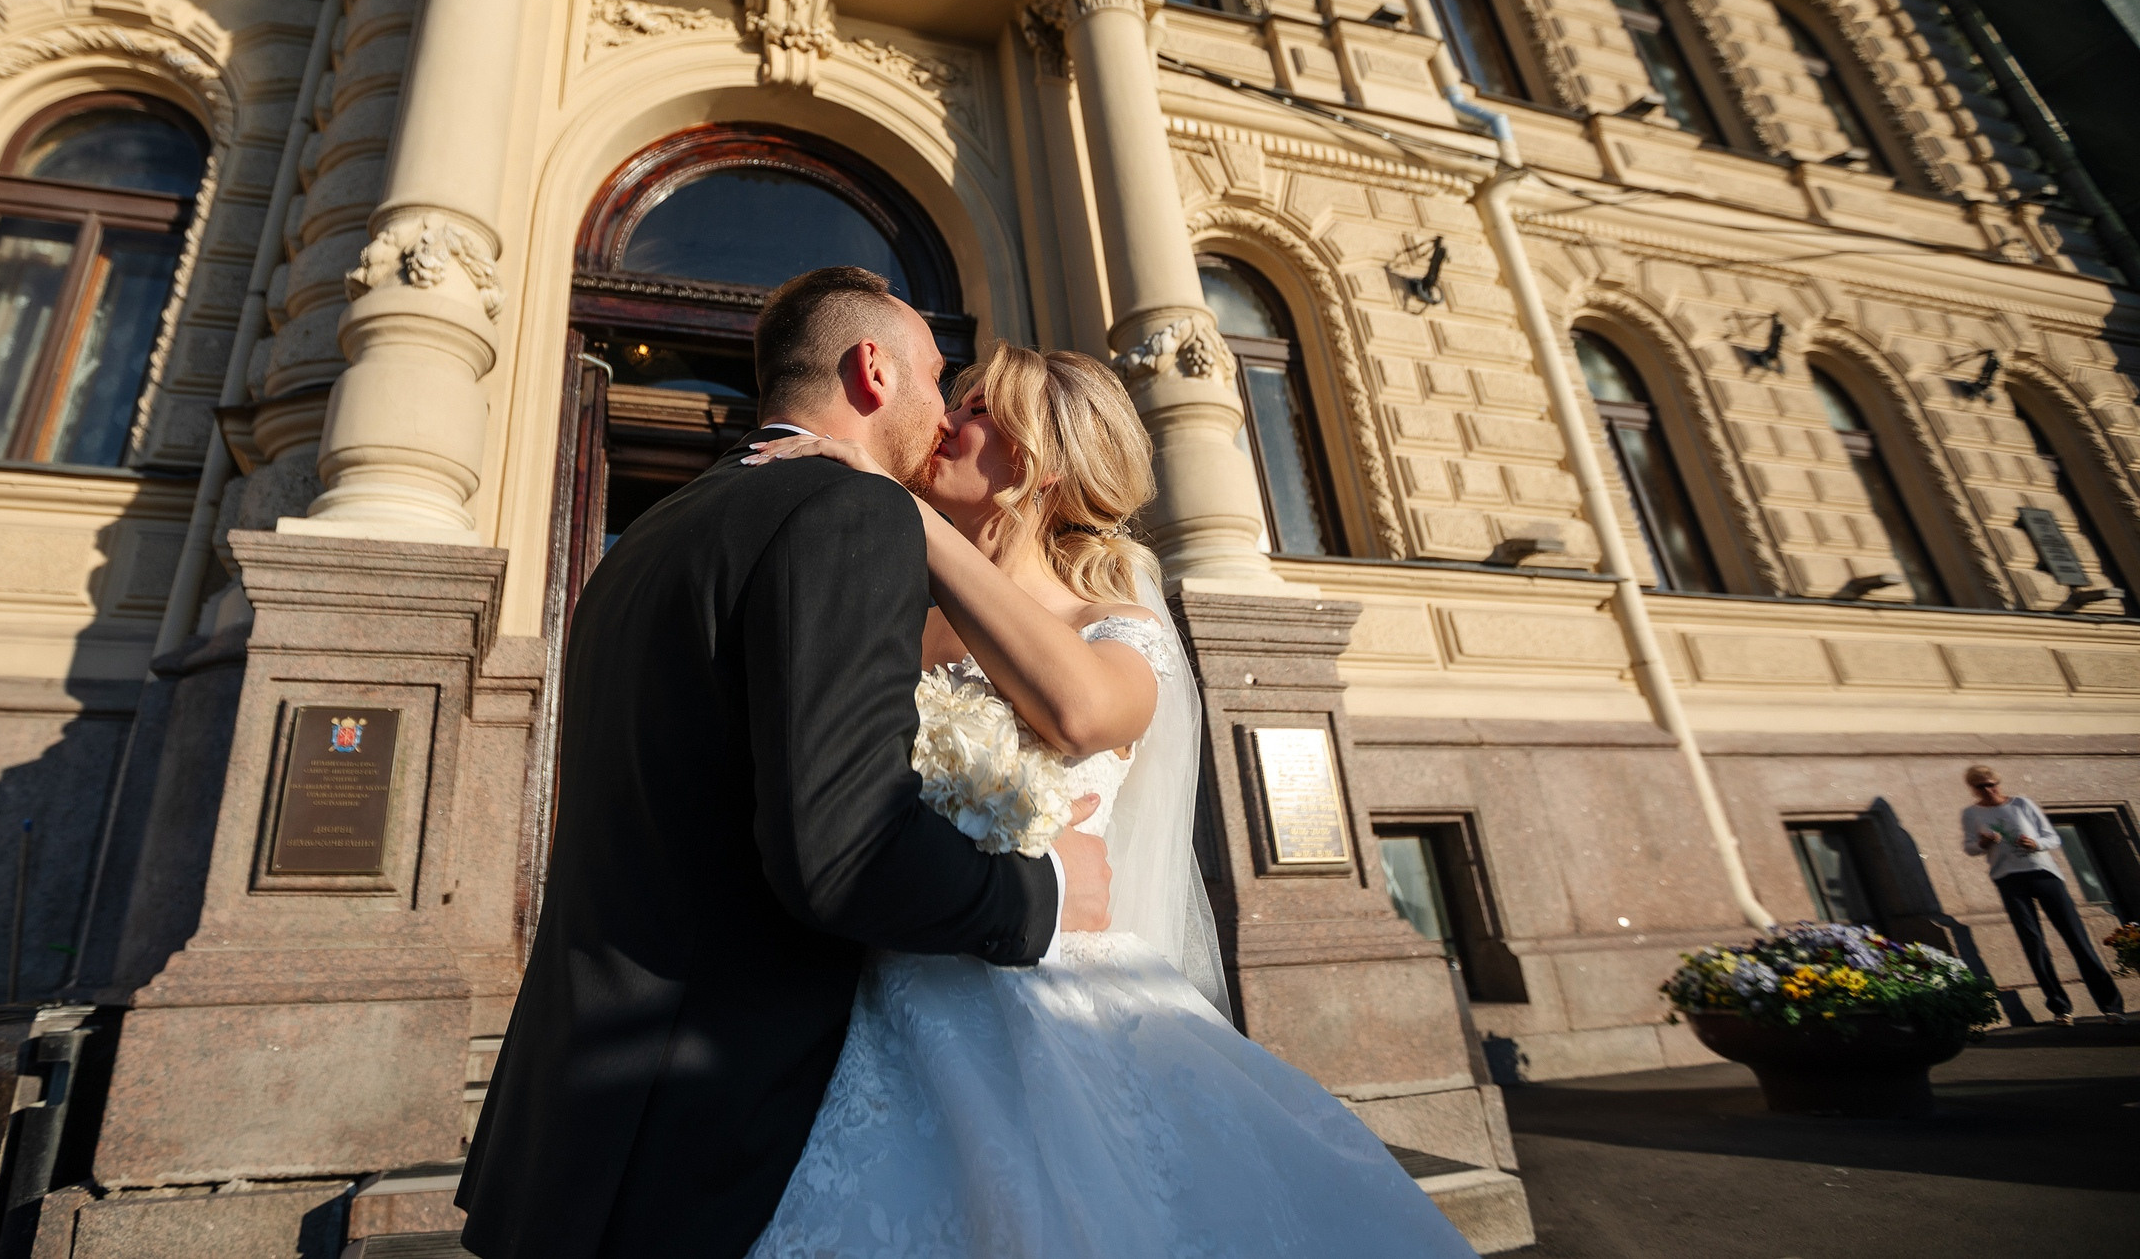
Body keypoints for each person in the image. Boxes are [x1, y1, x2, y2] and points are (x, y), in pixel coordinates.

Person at [740, 341, 1476, 1257]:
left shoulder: (1114, 628)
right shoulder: (896, 617)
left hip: (1045, 1003)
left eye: (976, 411)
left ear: (1039, 464)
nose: (945, 421)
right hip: (872, 987)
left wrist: (905, 511)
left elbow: (1081, 713)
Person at [456, 267, 1114, 1259]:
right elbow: (844, 854)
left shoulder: (643, 538)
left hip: (568, 1130)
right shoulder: (852, 512)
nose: (946, 414)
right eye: (939, 380)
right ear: (873, 370)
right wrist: (1045, 894)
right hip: (706, 1130)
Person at [1961, 763, 2125, 1025]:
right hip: (2008, 879)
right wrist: (1983, 843)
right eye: (1981, 787)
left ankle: (2111, 1007)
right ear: (1973, 789)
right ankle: (2060, 1008)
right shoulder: (1971, 813)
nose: (1989, 790)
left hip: (2044, 875)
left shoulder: (2021, 804)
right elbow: (1970, 847)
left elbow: (2052, 838)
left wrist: (2035, 843)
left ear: (1998, 783)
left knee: (2076, 937)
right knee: (2033, 943)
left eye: (1992, 785)